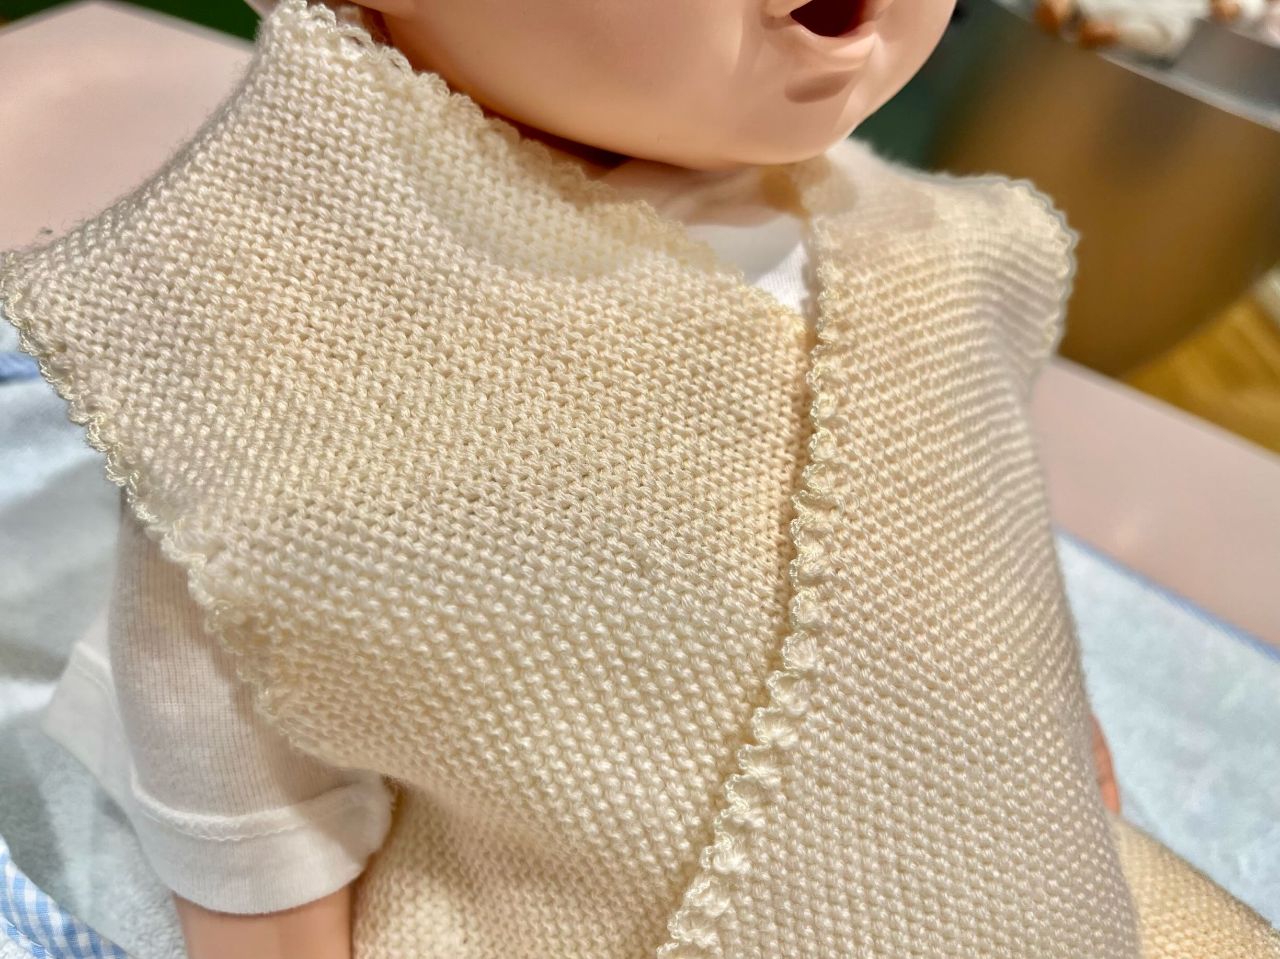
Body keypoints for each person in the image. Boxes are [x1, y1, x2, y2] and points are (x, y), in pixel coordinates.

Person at [6, 1, 1276, 957]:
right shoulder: (268, 329)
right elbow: (223, 751)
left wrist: (1052, 730)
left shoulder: (941, 254)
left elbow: (969, 537)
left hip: (1015, 857)